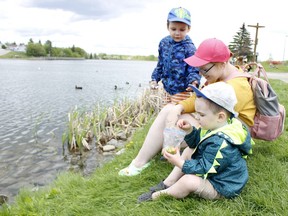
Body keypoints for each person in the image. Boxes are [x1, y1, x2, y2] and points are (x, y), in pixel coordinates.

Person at [118, 38, 256, 176]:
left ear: (222, 63)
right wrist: (178, 108)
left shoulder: (237, 86)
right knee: (170, 110)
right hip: (219, 127)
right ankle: (143, 159)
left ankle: (144, 160)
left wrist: (178, 122)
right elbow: (198, 99)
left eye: (205, 69)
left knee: (172, 118)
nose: (201, 74)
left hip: (230, 138)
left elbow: (213, 115)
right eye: (199, 69)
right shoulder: (219, 78)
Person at [137, 82, 252, 202]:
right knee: (189, 150)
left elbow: (203, 168)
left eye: (201, 115)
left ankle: (159, 195)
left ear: (220, 117)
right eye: (197, 113)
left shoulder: (222, 142)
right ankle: (168, 182)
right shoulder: (218, 126)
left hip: (222, 186)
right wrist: (190, 131)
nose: (197, 117)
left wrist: (179, 162)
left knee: (188, 181)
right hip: (217, 175)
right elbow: (198, 143)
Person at [149, 7, 200, 106]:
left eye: (182, 29)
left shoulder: (189, 47)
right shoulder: (163, 43)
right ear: (167, 26)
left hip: (182, 91)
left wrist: (194, 82)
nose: (177, 33)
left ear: (189, 29)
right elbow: (160, 64)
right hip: (167, 89)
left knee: (177, 116)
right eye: (173, 29)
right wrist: (154, 79)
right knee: (166, 112)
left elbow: (194, 68)